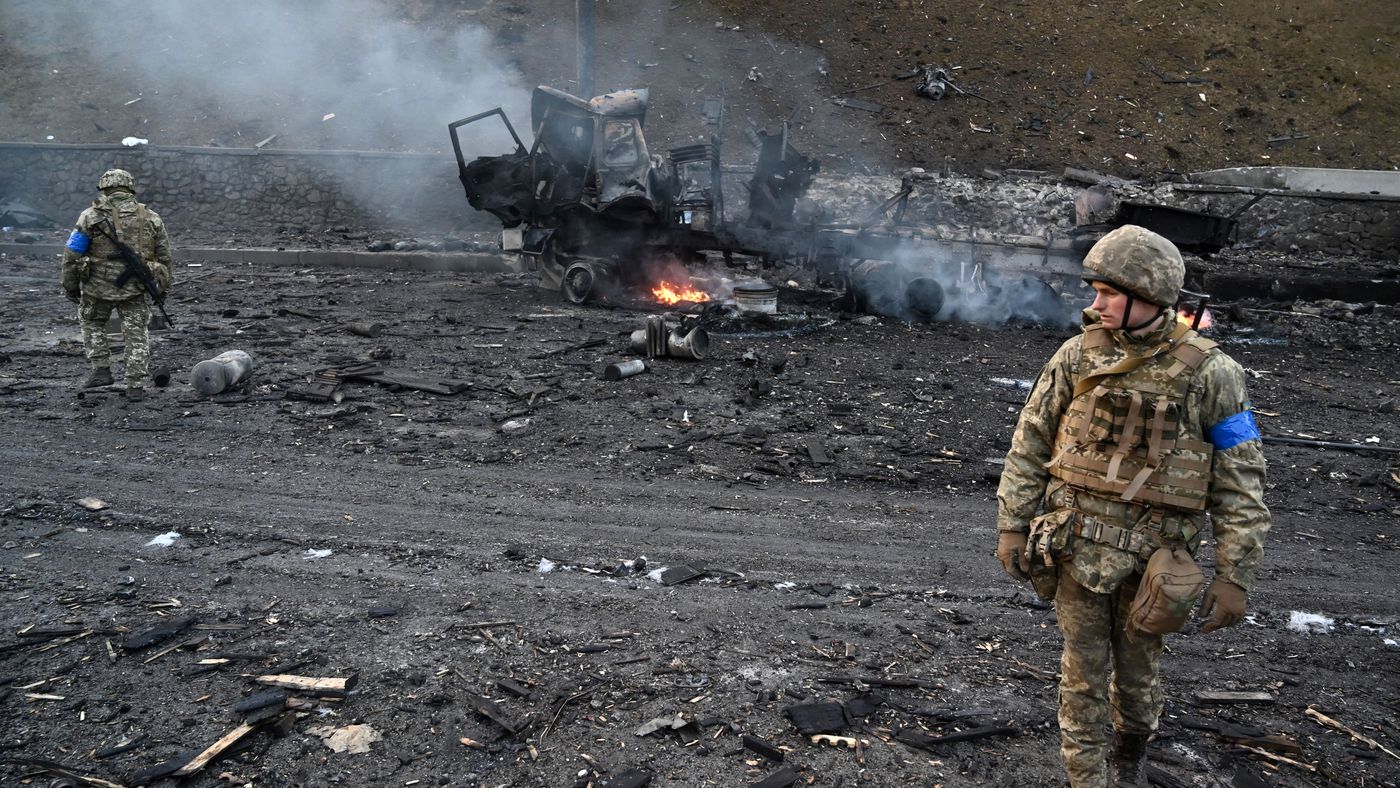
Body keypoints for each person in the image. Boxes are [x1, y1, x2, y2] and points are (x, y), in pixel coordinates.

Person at [994, 225, 1270, 788]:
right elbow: (1031, 440)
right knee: (1082, 675)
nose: (1094, 304)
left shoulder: (1214, 374)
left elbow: (1241, 477)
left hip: (1158, 559)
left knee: (1140, 674)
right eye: (1095, 291)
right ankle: (1086, 778)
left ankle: (1131, 756)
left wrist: (1234, 573)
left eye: (1108, 293)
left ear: (1151, 297)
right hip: (1076, 545)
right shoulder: (1077, 356)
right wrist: (1012, 524)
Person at [60, 169, 173, 401]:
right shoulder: (151, 217)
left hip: (96, 287)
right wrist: (162, 288)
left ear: (104, 188)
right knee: (136, 333)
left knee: (91, 321)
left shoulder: (90, 216)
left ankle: (101, 368)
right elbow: (164, 257)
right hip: (136, 287)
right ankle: (135, 384)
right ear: (130, 188)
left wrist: (71, 287)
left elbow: (72, 255)